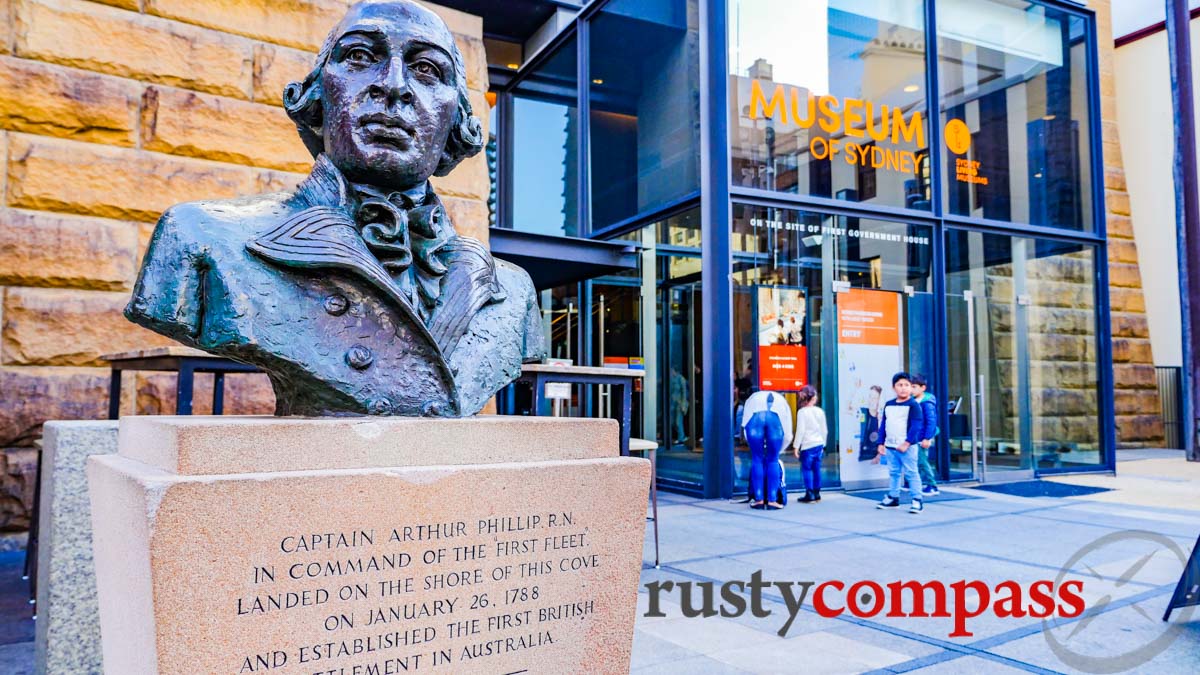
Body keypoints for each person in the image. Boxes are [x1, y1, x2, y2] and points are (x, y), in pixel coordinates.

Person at [876, 372, 926, 513]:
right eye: (900, 385)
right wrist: (880, 443)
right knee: (894, 472)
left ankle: (917, 499)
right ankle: (893, 497)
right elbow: (884, 425)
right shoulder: (889, 404)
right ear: (894, 387)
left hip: (907, 447)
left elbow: (916, 425)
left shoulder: (913, 405)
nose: (903, 388)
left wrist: (907, 443)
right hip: (890, 446)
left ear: (911, 387)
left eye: (906, 385)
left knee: (911, 472)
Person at [742, 391, 792, 509]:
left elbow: (745, 425)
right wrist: (779, 450)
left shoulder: (753, 397)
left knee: (757, 459)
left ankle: (759, 500)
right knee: (773, 460)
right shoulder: (781, 399)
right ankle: (772, 501)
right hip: (776, 418)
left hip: (754, 418)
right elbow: (787, 432)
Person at [792, 385, 827, 503]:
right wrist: (823, 444)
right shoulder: (820, 411)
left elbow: (800, 430)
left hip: (807, 445)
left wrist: (796, 446)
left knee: (806, 469)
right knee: (817, 469)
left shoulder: (802, 412)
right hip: (818, 444)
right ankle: (817, 493)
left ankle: (809, 493)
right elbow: (824, 430)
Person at [911, 374, 940, 496]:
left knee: (922, 461)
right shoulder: (914, 401)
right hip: (915, 436)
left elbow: (931, 421)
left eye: (914, 387)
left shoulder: (927, 403)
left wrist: (927, 438)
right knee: (916, 460)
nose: (911, 389)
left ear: (923, 388)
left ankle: (932, 485)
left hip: (922, 437)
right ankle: (912, 483)